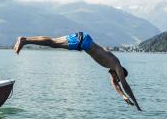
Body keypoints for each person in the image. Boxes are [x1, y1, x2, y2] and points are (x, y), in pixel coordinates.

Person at [13, 32, 142, 111]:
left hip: (84, 40)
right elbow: (124, 85)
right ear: (121, 74)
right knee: (54, 43)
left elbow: (115, 84)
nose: (115, 79)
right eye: (119, 78)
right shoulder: (117, 64)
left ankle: (25, 40)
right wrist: (136, 103)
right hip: (83, 42)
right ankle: (25, 40)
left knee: (54, 42)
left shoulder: (112, 67)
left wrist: (123, 96)